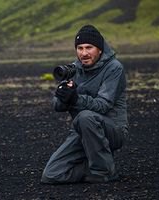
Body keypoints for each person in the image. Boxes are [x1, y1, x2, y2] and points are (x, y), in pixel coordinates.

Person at [41, 24, 128, 184]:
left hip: (113, 130)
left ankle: (105, 171)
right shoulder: (74, 69)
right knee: (51, 175)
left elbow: (103, 105)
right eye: (80, 48)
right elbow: (57, 107)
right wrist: (63, 96)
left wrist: (75, 99)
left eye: (89, 47)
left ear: (100, 49)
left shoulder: (114, 68)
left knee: (85, 117)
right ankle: (94, 165)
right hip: (83, 130)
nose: (84, 53)